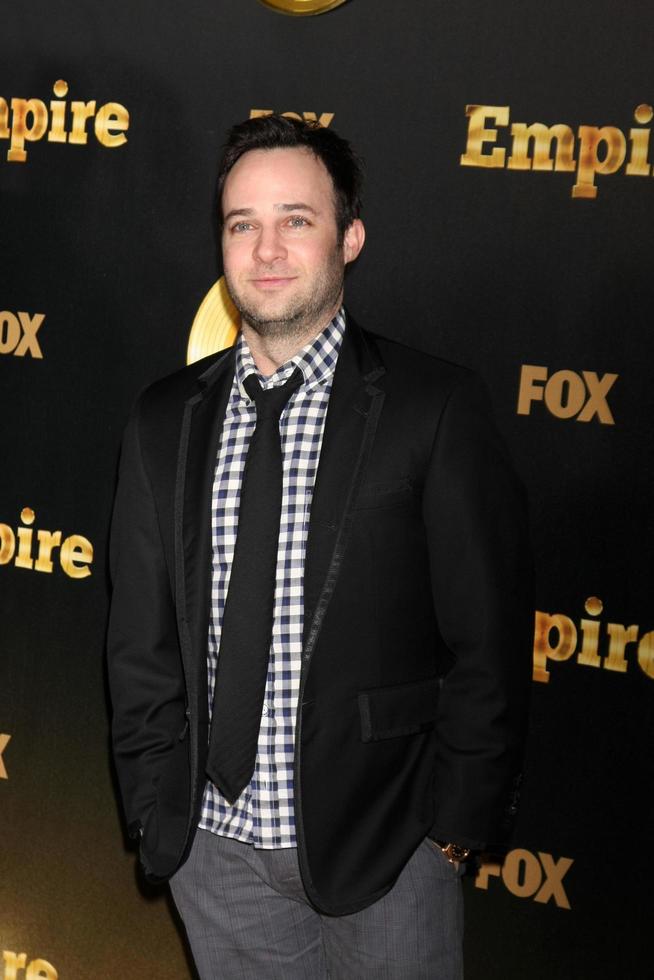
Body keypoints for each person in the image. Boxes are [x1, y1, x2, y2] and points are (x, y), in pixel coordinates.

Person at [107, 114, 533, 979]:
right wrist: (158, 809)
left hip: (388, 850)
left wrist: (450, 833)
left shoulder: (432, 406)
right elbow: (138, 644)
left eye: (295, 219)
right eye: (242, 225)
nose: (267, 249)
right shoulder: (163, 419)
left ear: (350, 235)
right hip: (214, 856)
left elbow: (486, 642)